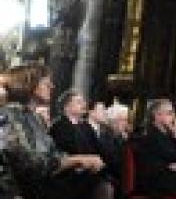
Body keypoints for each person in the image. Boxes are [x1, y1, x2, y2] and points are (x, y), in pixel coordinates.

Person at [0, 64, 105, 198]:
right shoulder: (10, 114)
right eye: (46, 82)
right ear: (29, 84)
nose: (52, 86)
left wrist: (76, 162)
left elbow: (51, 152)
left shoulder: (32, 117)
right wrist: (75, 160)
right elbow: (31, 165)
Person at [49, 90, 114, 199]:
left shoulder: (86, 126)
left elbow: (100, 150)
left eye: (83, 101)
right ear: (67, 107)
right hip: (69, 176)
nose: (84, 104)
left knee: (107, 184)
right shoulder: (58, 126)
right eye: (79, 102)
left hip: (89, 175)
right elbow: (63, 153)